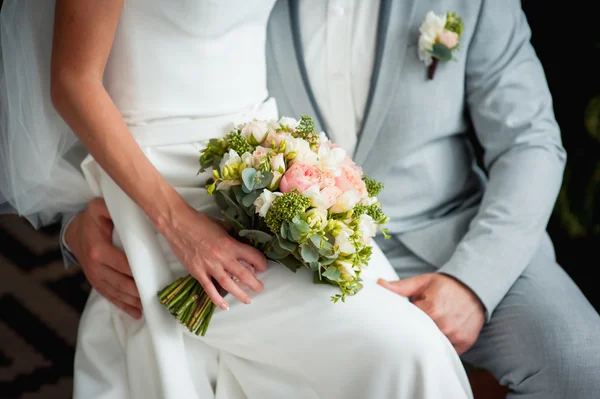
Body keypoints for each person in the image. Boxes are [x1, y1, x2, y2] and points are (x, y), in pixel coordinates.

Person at [57, 0, 600, 397]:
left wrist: (472, 283)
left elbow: (531, 142)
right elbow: (111, 80)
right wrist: (75, 227)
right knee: (402, 356)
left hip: (454, 231)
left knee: (580, 360)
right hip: (270, 226)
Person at [0, 0, 474, 398]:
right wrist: (177, 225)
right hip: (159, 185)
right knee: (410, 350)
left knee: (409, 340)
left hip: (264, 159)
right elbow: (71, 81)